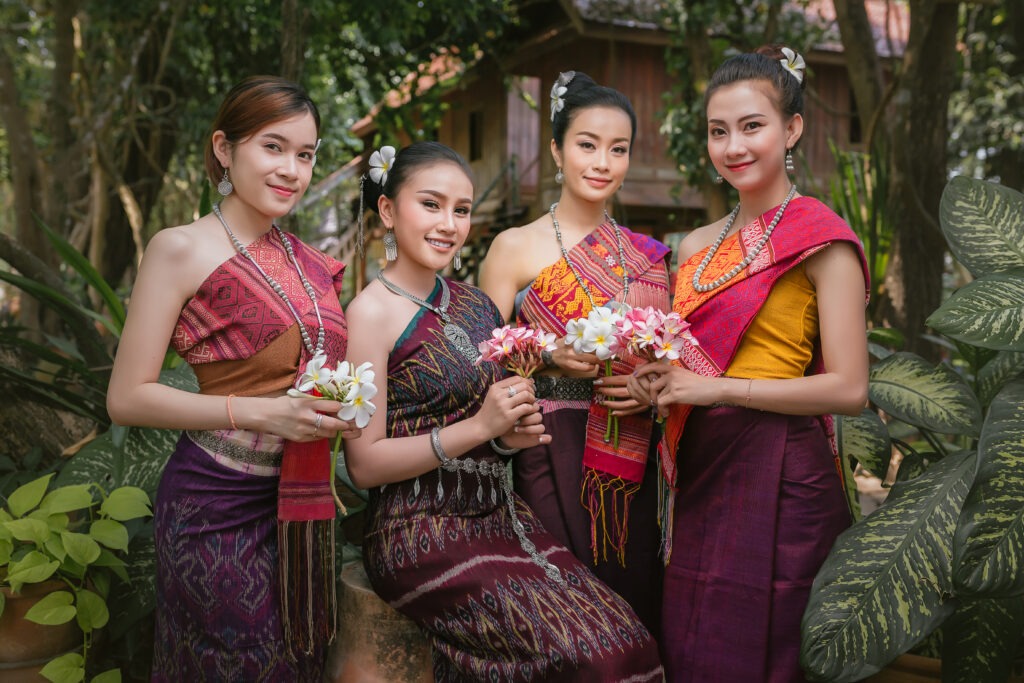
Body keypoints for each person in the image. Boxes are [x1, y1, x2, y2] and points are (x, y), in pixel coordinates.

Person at [343, 140, 664, 682]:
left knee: (629, 642)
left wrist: (503, 439)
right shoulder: (369, 314)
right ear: (388, 210)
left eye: (462, 210)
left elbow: (490, 428)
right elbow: (364, 464)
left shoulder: (474, 305)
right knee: (592, 658)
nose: (449, 223)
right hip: (420, 530)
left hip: (501, 516)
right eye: (431, 204)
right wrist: (478, 428)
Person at [627, 46, 870, 682]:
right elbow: (688, 361)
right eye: (717, 130)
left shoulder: (823, 241)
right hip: (703, 470)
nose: (733, 146)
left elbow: (849, 388)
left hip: (783, 471)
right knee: (696, 640)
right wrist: (658, 379)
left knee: (773, 649)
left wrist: (714, 389)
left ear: (791, 129)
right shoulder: (697, 245)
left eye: (752, 126)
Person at [107, 76, 360, 681]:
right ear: (225, 149)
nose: (292, 170)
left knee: (300, 661)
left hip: (301, 502)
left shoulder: (311, 263)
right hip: (213, 502)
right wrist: (255, 411)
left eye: (306, 154)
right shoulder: (179, 249)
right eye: (273, 147)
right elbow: (126, 397)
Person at [478, 70, 671, 634]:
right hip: (548, 446)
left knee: (633, 596)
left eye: (619, 149)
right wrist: (550, 356)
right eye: (587, 144)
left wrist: (651, 386)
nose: (602, 161)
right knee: (567, 609)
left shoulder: (647, 256)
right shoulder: (512, 248)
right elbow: (484, 360)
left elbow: (668, 358)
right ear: (558, 150)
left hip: (631, 448)